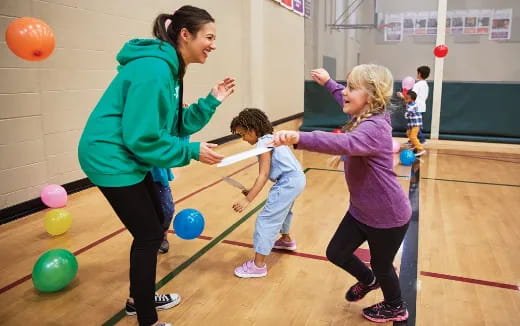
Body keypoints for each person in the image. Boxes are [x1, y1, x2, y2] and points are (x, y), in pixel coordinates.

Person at [77, 6, 236, 326]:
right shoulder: (155, 69)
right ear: (185, 35)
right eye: (209, 37)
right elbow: (143, 137)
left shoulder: (170, 68)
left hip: (128, 154)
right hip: (110, 156)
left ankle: (141, 297)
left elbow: (171, 125)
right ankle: (145, 316)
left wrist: (210, 101)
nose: (213, 45)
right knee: (149, 234)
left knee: (159, 217)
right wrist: (191, 151)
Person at [271, 64, 411, 323]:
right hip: (361, 210)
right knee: (336, 252)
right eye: (346, 86)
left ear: (369, 97)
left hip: (387, 216)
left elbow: (342, 143)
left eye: (352, 87)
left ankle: (396, 306)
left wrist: (299, 138)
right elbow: (344, 100)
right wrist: (328, 83)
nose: (345, 92)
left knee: (382, 266)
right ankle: (367, 280)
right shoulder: (364, 115)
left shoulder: (375, 128)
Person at [230, 108, 306, 278]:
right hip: (297, 178)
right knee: (284, 211)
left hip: (287, 182)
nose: (243, 139)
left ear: (252, 130)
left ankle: (258, 265)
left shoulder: (263, 144)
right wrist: (251, 190)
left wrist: (247, 200)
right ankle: (286, 240)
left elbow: (263, 175)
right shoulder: (271, 136)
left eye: (243, 135)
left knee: (266, 219)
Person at [411, 66, 430, 144]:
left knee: (415, 126)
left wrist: (402, 96)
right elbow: (426, 97)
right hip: (422, 107)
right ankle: (411, 140)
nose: (417, 74)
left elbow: (412, 96)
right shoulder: (426, 85)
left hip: (416, 107)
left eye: (417, 73)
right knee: (415, 125)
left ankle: (422, 140)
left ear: (419, 74)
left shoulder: (417, 85)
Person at [404, 91, 425, 156]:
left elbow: (408, 113)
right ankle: (414, 146)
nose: (405, 100)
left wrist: (406, 115)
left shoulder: (413, 105)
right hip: (412, 124)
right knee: (408, 133)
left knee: (413, 136)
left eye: (407, 98)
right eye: (405, 98)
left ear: (412, 99)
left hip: (416, 124)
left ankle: (421, 149)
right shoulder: (409, 104)